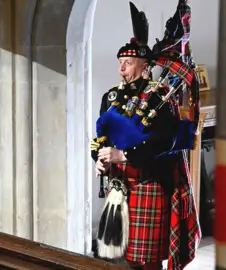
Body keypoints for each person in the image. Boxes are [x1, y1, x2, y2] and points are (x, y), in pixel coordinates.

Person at [92, 38, 185, 270]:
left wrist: (124, 155)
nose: (122, 68)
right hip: (119, 186)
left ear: (145, 67)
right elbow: (101, 138)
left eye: (129, 62)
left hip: (148, 184)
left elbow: (165, 142)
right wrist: (99, 160)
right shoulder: (110, 97)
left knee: (151, 258)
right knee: (126, 256)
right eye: (120, 62)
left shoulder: (161, 97)